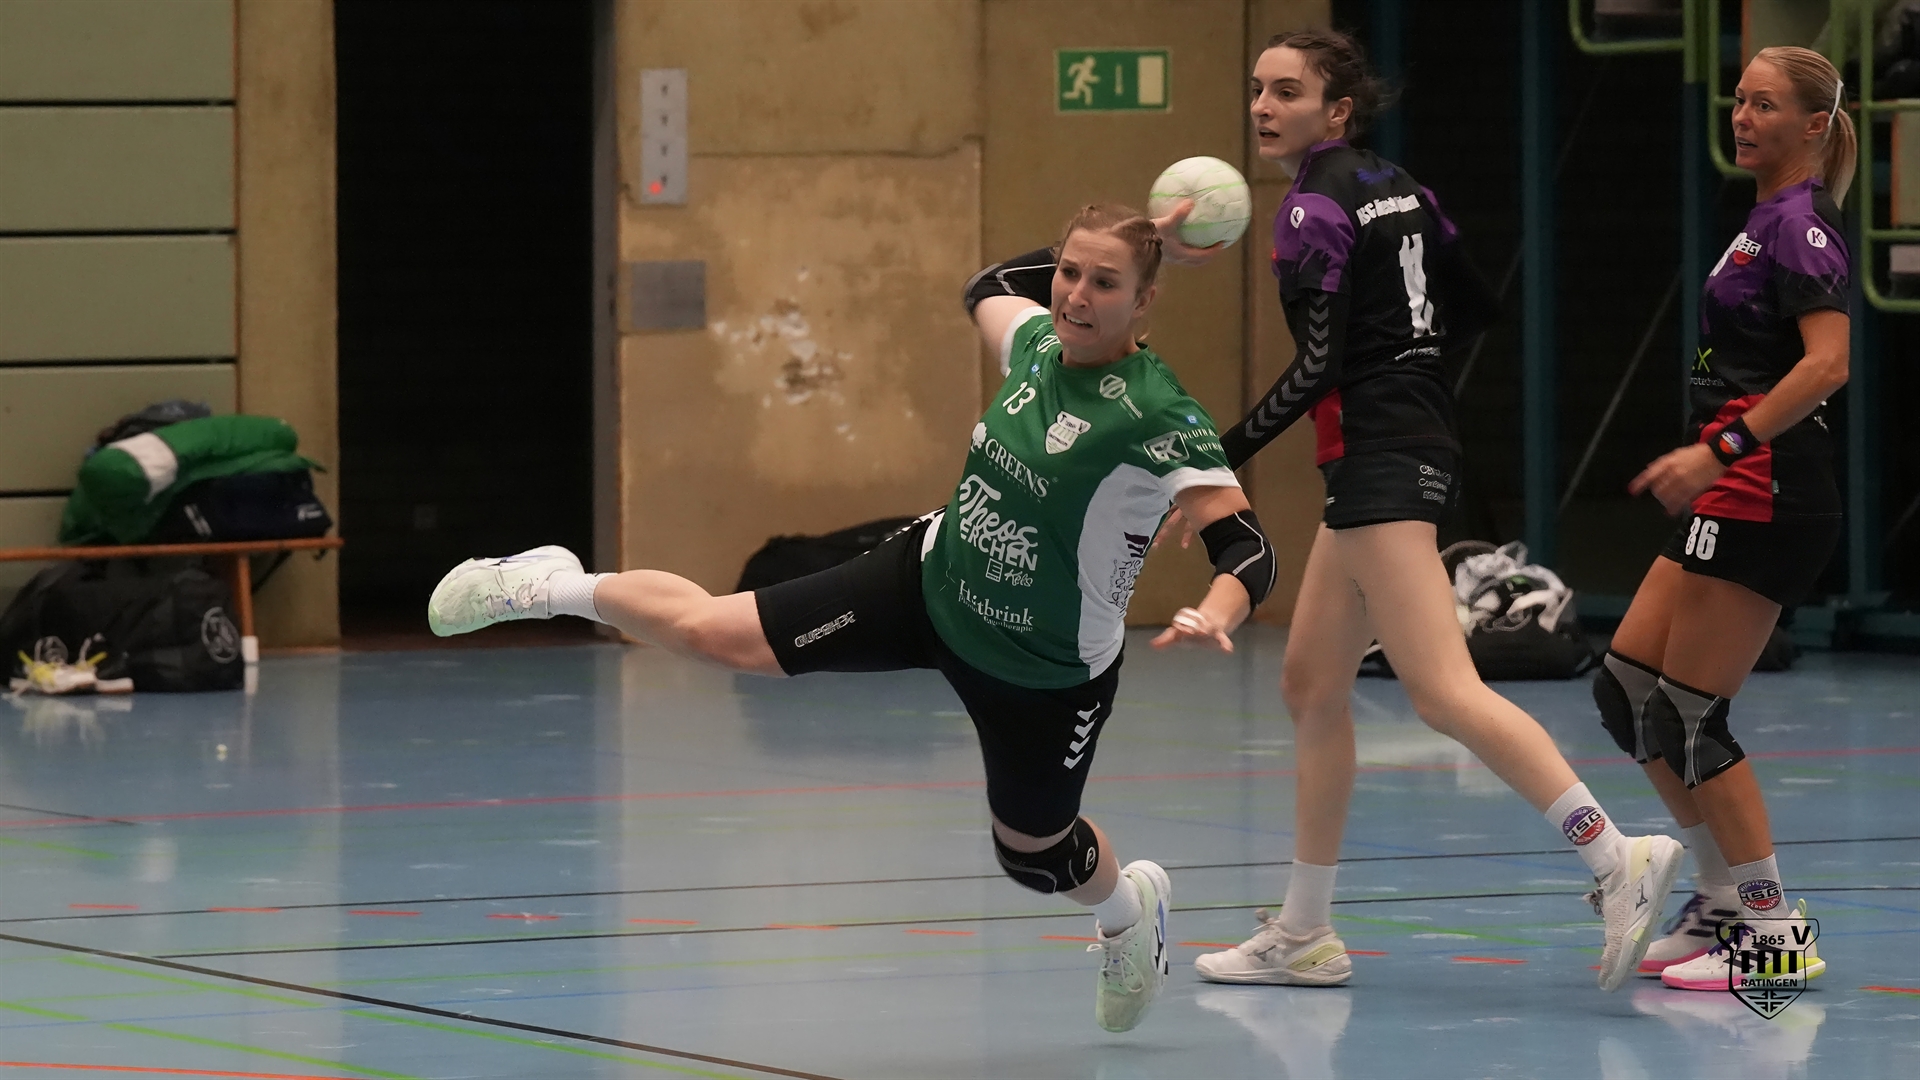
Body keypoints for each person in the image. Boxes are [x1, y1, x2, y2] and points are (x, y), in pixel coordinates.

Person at [426, 204, 1281, 1033]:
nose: (1076, 295)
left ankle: (1129, 913)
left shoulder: (1157, 414)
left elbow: (1247, 550)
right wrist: (1145, 235)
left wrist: (1216, 609)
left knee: (1033, 855)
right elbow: (989, 284)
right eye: (1067, 272)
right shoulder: (1034, 347)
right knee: (717, 635)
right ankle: (546, 585)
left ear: (1146, 300)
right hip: (931, 584)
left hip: (1044, 673)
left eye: (1105, 282)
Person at [1160, 28, 1684, 992]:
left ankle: (1617, 856)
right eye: (1258, 89)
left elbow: (1317, 367)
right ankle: (1305, 932)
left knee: (1442, 689)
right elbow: (1473, 304)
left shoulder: (1311, 209)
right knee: (1312, 686)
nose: (1264, 106)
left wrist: (1211, 460)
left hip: (1380, 455)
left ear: (1337, 110)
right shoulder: (1401, 188)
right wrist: (1407, 361)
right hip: (1397, 443)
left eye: (1288, 91)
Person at [1599, 46, 1852, 991]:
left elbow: (1827, 364)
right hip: (1732, 485)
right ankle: (1717, 900)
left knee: (1693, 717)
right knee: (1628, 691)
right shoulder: (1761, 220)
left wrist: (1721, 448)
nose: (1742, 117)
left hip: (1767, 486)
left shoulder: (1802, 226)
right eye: (1738, 101)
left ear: (1815, 125)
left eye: (1765, 104)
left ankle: (1773, 931)